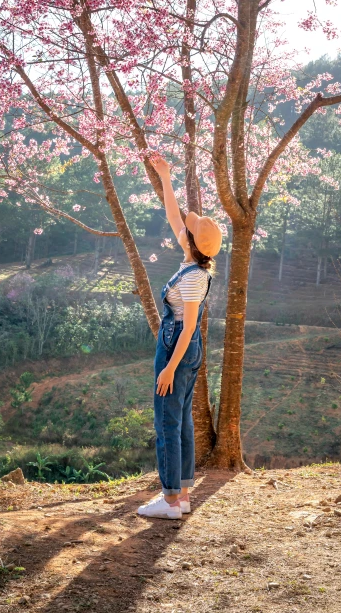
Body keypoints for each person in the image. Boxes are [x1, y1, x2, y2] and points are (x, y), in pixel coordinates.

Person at [137, 154, 222, 519]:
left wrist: (169, 367)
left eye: (186, 230)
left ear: (191, 241)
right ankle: (183, 496)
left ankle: (170, 500)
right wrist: (165, 175)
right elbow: (174, 216)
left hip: (178, 347)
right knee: (182, 420)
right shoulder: (194, 261)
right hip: (189, 351)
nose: (180, 229)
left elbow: (188, 327)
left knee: (166, 423)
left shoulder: (192, 277)